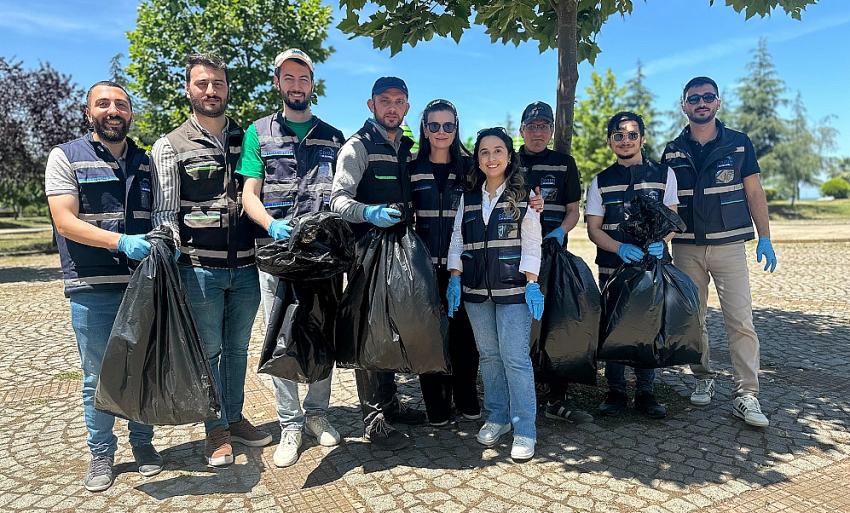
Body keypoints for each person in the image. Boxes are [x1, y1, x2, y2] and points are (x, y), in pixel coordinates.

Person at [151, 53, 271, 468]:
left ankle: (235, 418)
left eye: (218, 83)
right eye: (202, 83)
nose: (210, 90)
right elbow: (165, 213)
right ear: (188, 89)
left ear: (227, 88)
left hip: (247, 266)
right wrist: (165, 257)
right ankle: (215, 429)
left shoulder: (248, 138)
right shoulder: (169, 146)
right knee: (211, 351)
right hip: (199, 266)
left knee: (238, 349)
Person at [46, 81, 162, 491]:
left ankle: (144, 445)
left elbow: (159, 216)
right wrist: (119, 242)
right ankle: (101, 454)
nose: (113, 110)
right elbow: (64, 219)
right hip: (91, 286)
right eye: (104, 104)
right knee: (98, 376)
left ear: (130, 113)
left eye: (121, 105)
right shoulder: (66, 156)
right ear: (88, 111)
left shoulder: (146, 162)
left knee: (141, 368)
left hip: (140, 286)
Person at [238, 48, 345, 467]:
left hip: (321, 258)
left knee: (320, 331)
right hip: (277, 254)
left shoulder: (333, 136)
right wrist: (270, 224)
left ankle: (319, 414)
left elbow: (343, 194)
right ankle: (290, 423)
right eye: (289, 77)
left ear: (311, 85)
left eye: (303, 78)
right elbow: (249, 193)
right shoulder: (257, 133)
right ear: (277, 82)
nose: (297, 85)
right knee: (280, 338)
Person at [661, 76, 776, 427]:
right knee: (694, 319)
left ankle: (747, 394)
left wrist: (765, 236)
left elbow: (754, 193)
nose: (701, 103)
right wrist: (660, 238)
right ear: (684, 105)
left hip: (728, 246)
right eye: (694, 98)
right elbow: (667, 202)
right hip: (686, 248)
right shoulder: (672, 150)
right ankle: (703, 375)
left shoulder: (739, 144)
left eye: (708, 97)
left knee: (740, 321)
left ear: (718, 102)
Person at [330, 76, 427, 450]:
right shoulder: (357, 146)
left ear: (406, 107)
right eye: (384, 100)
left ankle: (391, 404)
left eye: (399, 101)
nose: (391, 107)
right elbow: (337, 200)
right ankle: (374, 419)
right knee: (371, 332)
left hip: (401, 253)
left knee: (393, 329)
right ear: (371, 105)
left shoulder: (407, 146)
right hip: (367, 254)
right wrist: (368, 212)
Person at [446, 127, 543, 462]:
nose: (491, 158)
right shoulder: (469, 196)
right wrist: (454, 277)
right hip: (475, 291)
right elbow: (458, 239)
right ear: (478, 158)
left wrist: (532, 282)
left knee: (515, 358)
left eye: (498, 150)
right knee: (488, 356)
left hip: (514, 290)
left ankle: (525, 427)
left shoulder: (523, 196)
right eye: (484, 151)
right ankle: (497, 417)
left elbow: (532, 242)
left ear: (509, 156)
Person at [585, 111, 679, 419]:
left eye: (632, 134)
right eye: (619, 135)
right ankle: (615, 391)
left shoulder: (664, 174)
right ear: (610, 141)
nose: (626, 140)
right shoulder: (600, 181)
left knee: (647, 326)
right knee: (614, 326)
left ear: (643, 138)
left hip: (651, 267)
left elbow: (672, 218)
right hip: (613, 266)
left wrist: (661, 240)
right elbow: (593, 228)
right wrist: (619, 247)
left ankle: (646, 392)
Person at [516, 101, 592, 425]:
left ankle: (557, 397)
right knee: (521, 322)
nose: (538, 132)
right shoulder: (510, 160)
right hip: (515, 256)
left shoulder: (564, 163)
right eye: (532, 126)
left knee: (556, 320)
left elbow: (574, 209)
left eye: (544, 126)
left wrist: (561, 231)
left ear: (551, 130)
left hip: (554, 252)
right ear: (521, 130)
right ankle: (523, 392)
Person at [409, 99, 481, 427]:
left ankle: (465, 396)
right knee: (429, 337)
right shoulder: (411, 167)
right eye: (434, 126)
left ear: (456, 128)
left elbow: (499, 193)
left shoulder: (469, 168)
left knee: (464, 337)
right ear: (425, 128)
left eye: (448, 126)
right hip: (422, 268)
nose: (441, 132)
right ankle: (436, 404)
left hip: (462, 267)